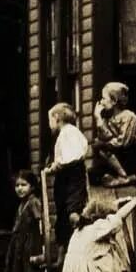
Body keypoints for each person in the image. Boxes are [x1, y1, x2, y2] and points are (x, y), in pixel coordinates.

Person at [1, 169, 45, 272]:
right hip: (20, 249)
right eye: (17, 185)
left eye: (24, 185)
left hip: (31, 248)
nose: (19, 188)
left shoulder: (34, 203)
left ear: (32, 187)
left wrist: (43, 249)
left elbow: (41, 224)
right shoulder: (21, 205)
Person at [46, 102, 88, 251]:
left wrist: (56, 166)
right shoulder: (63, 134)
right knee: (62, 208)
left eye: (50, 120)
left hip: (72, 174)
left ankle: (77, 229)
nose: (49, 125)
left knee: (72, 205)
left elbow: (72, 156)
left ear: (57, 118)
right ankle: (63, 252)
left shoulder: (69, 132)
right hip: (65, 175)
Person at [91, 82, 136, 183]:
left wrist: (103, 143)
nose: (101, 102)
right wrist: (98, 119)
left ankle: (125, 176)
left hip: (132, 154)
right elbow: (104, 138)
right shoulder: (108, 118)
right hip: (119, 155)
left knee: (104, 147)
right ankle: (121, 175)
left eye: (104, 98)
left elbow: (123, 143)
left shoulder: (129, 116)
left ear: (114, 101)